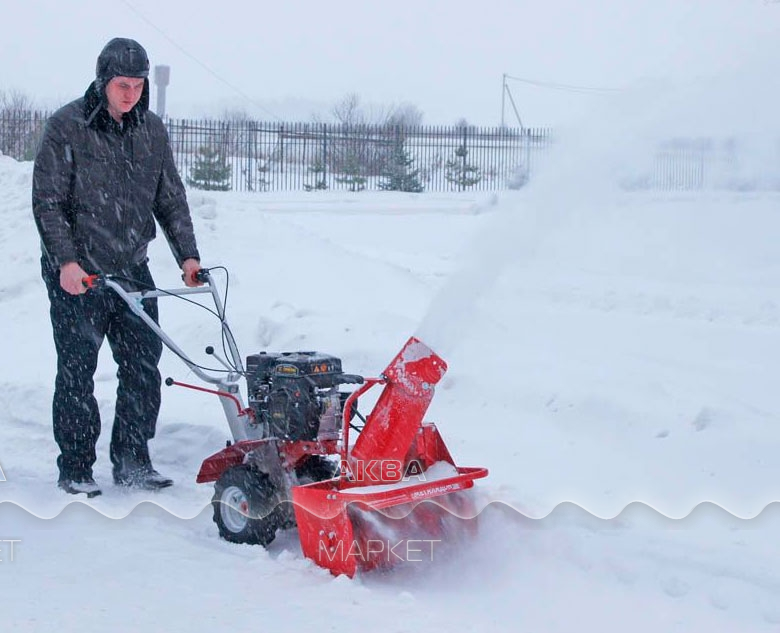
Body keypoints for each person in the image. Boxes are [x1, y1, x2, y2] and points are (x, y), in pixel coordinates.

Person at [32, 37, 203, 497]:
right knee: (77, 369)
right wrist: (65, 261)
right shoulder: (67, 126)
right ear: (103, 80)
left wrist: (187, 256)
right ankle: (76, 466)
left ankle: (132, 459)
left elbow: (170, 198)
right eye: (122, 85)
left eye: (137, 85)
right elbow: (47, 203)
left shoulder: (151, 131)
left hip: (131, 268)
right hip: (80, 273)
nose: (130, 94)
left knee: (143, 367)